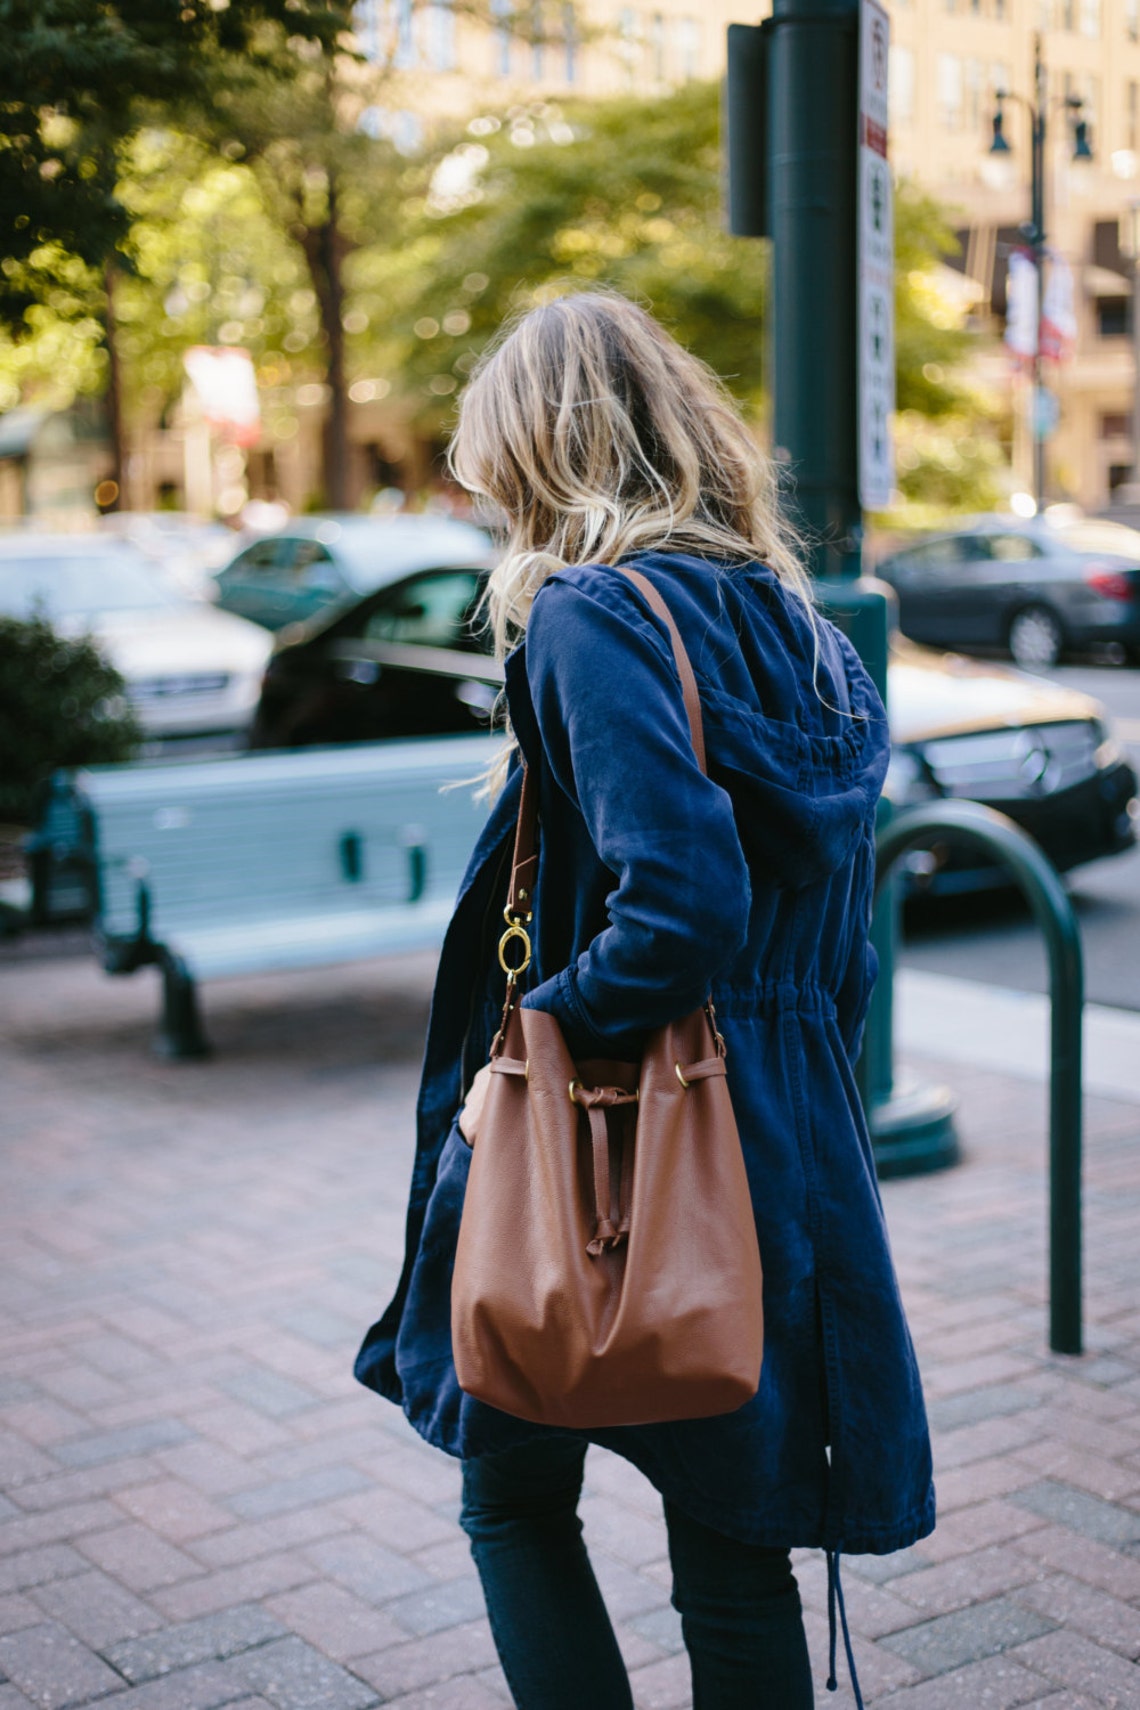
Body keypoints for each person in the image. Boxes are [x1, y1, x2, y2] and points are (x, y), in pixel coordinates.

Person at [355, 292, 935, 1709]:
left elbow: (681, 898)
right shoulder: (806, 630)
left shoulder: (591, 616)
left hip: (619, 1119)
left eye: (492, 458)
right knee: (735, 1539)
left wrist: (551, 1025)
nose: (482, 492)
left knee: (511, 1493)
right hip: (783, 1131)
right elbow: (837, 939)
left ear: (547, 447)